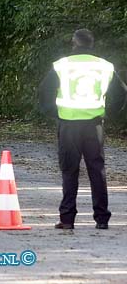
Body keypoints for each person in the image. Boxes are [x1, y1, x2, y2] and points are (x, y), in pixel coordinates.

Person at [38, 29, 126, 230]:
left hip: (68, 124)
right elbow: (121, 93)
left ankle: (67, 219)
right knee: (97, 171)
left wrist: (55, 113)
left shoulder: (62, 66)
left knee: (69, 171)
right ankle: (102, 219)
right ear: (92, 44)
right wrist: (107, 112)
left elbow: (44, 91)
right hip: (94, 125)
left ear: (74, 43)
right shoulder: (104, 66)